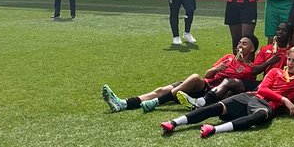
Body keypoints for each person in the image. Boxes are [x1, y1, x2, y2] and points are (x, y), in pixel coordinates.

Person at [160, 47, 294, 137]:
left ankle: (213, 130)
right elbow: (262, 89)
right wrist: (285, 100)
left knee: (258, 117)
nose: (291, 63)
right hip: (251, 97)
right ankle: (173, 123)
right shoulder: (275, 72)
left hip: (267, 106)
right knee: (216, 107)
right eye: (289, 59)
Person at [101, 36, 259, 114]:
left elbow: (238, 89)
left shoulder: (249, 70)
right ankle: (123, 103)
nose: (239, 45)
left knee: (195, 77)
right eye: (239, 43)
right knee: (161, 89)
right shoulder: (228, 57)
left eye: (244, 43)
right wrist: (218, 68)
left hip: (211, 93)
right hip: (203, 84)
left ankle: (156, 103)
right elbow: (208, 74)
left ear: (252, 49)